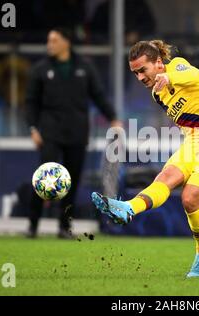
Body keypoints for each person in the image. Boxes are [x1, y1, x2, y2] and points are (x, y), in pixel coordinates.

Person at [91, 40, 199, 278]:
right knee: (165, 177)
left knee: (190, 198)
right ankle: (127, 208)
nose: (140, 77)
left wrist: (170, 78)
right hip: (193, 144)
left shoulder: (178, 67)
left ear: (159, 63)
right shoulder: (157, 94)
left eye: (143, 70)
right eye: (135, 73)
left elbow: (192, 75)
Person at [25, 27, 121, 238]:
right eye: (49, 40)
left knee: (71, 181)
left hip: (77, 132)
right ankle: (32, 225)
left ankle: (64, 227)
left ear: (66, 42)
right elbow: (30, 102)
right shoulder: (40, 69)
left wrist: (113, 117)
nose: (50, 44)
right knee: (44, 178)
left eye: (54, 40)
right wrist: (33, 128)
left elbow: (98, 95)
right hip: (50, 132)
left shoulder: (84, 67)